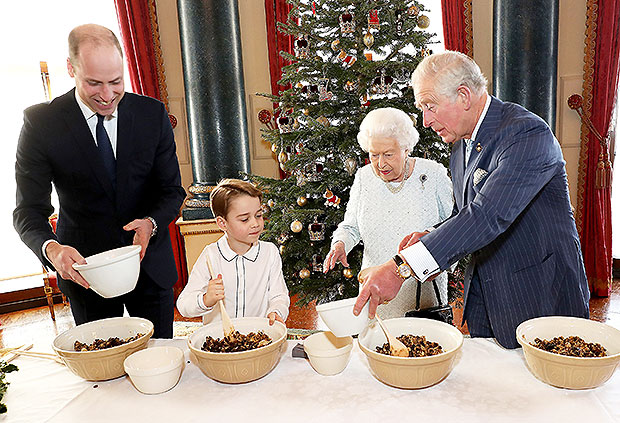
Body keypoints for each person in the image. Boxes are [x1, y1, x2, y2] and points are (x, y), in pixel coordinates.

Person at [354, 51, 590, 349]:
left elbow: (486, 216)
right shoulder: (461, 142)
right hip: (488, 297)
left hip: (540, 294)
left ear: (463, 96)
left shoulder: (527, 134)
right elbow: (464, 214)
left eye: (429, 106)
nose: (425, 121)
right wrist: (432, 234)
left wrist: (401, 267)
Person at [13, 24, 186, 338]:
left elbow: (172, 191)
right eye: (94, 83)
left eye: (116, 82)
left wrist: (151, 223)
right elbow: (26, 212)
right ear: (71, 68)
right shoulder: (41, 124)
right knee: (103, 377)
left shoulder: (152, 115)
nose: (107, 96)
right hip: (85, 274)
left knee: (161, 369)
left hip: (150, 269)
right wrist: (52, 250)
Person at [323, 108, 453, 319]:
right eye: (374, 155)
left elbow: (453, 228)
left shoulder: (433, 174)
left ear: (406, 148)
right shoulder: (364, 178)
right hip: (376, 292)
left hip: (423, 296)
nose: (381, 164)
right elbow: (351, 226)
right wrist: (340, 244)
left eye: (389, 154)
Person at [176, 179, 290, 325]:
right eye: (244, 219)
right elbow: (184, 305)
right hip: (220, 342)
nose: (255, 224)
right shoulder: (210, 255)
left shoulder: (270, 252)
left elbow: (279, 296)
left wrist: (276, 311)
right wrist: (206, 299)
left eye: (258, 215)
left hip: (258, 336)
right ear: (222, 223)